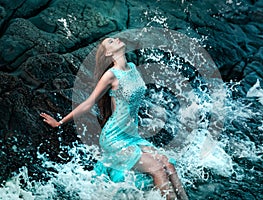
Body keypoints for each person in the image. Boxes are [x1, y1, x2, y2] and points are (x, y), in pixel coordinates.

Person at [40, 37, 188, 200]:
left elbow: (125, 100)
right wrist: (59, 122)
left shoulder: (132, 67)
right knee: (157, 169)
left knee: (169, 165)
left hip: (132, 136)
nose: (116, 39)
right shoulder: (110, 75)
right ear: (109, 53)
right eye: (110, 42)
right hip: (114, 138)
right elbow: (88, 103)